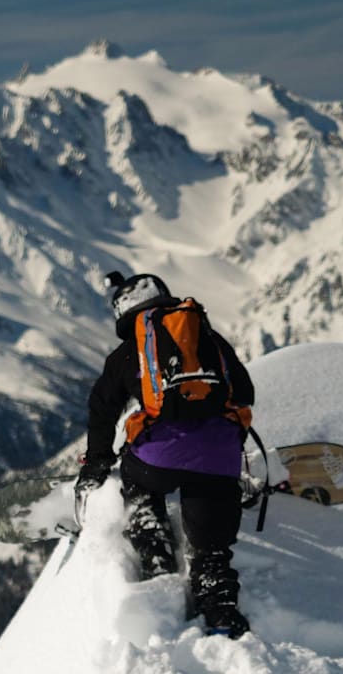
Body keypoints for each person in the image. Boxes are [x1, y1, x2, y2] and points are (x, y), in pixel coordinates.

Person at [74, 272, 255, 639]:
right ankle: (219, 609)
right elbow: (245, 392)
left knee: (137, 478)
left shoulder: (128, 353)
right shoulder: (209, 338)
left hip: (158, 459)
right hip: (219, 460)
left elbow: (101, 410)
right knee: (212, 546)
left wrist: (97, 462)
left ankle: (151, 537)